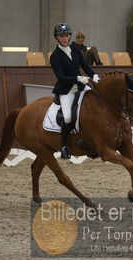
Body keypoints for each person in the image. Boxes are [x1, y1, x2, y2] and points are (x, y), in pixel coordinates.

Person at [50, 23, 100, 159]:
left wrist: (94, 74)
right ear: (57, 38)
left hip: (82, 87)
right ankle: (64, 146)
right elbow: (61, 78)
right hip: (67, 90)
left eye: (66, 35)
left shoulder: (76, 50)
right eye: (61, 36)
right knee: (67, 117)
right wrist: (78, 78)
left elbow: (85, 66)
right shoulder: (55, 56)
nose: (64, 38)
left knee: (98, 102)